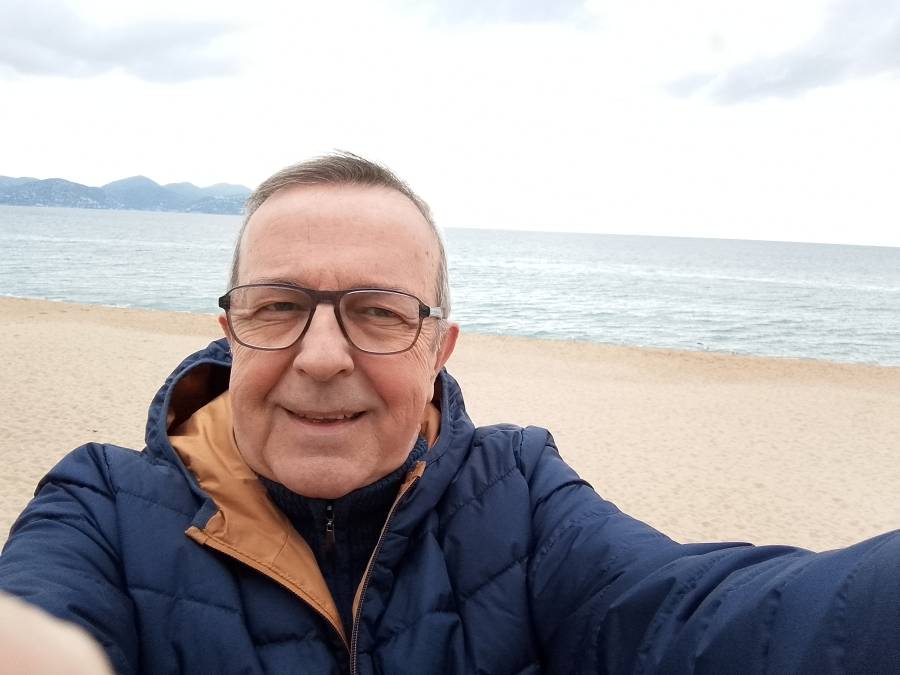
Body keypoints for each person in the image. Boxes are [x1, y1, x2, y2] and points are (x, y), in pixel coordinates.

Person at [1, 152, 898, 674]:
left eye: (379, 312)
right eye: (277, 306)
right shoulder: (101, 506)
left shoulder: (520, 494)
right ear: (231, 331)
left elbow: (698, 617)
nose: (323, 355)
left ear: (439, 348)